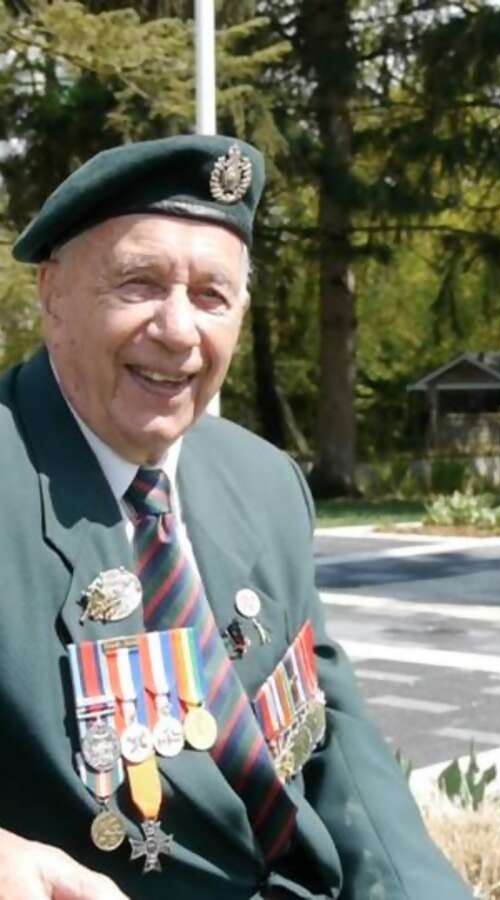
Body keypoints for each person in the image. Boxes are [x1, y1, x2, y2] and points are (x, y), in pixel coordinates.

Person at [0, 134, 474, 900]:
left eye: (211, 296)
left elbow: (332, 738)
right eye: (139, 284)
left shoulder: (265, 481)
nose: (178, 330)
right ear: (53, 295)